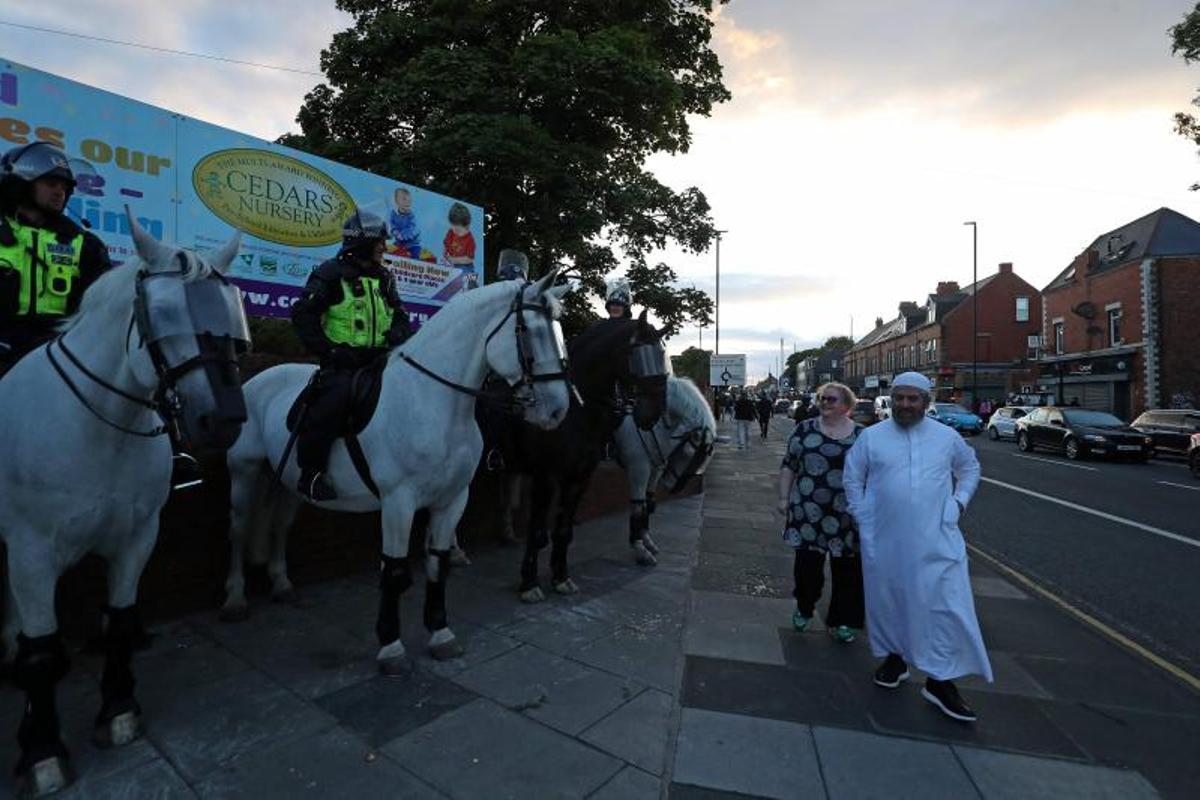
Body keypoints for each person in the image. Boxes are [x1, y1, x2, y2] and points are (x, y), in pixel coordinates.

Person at [843, 371, 991, 722]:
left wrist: (958, 504)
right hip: (885, 537)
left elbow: (969, 469)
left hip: (937, 537)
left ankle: (940, 680)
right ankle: (895, 659)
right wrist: (864, 514)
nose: (905, 404)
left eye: (913, 399)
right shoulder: (872, 437)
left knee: (945, 604)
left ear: (926, 401)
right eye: (899, 398)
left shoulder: (947, 437)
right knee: (890, 598)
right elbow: (853, 477)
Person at [291, 209, 412, 501]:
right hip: (343, 365)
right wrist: (329, 351)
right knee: (332, 402)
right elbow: (303, 315)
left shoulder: (385, 277)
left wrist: (398, 332)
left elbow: (400, 315)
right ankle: (311, 474)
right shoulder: (330, 273)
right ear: (362, 242)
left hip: (381, 361)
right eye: (380, 241)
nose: (385, 246)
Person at [0, 142, 112, 378]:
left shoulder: (85, 244)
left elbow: (103, 309)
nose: (60, 192)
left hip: (60, 359)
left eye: (64, 186)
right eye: (51, 183)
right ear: (21, 185)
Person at [777, 382, 864, 643]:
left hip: (847, 513)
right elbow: (789, 465)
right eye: (822, 398)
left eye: (832, 399)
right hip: (808, 511)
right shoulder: (804, 429)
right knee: (807, 567)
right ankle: (805, 607)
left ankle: (843, 621)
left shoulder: (862, 435)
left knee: (847, 569)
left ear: (846, 405)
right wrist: (784, 497)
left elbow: (875, 472)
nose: (825, 403)